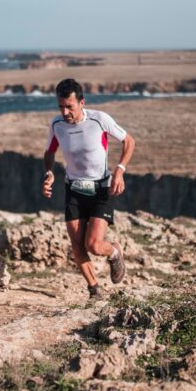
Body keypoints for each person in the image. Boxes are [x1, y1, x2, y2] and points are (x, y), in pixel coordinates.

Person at [42, 78, 136, 300]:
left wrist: (120, 170)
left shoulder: (99, 119)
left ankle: (114, 251)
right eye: (61, 106)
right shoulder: (57, 125)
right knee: (77, 245)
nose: (65, 112)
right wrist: (49, 172)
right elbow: (49, 152)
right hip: (73, 189)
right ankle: (94, 289)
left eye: (69, 107)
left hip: (101, 188)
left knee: (93, 244)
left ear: (82, 103)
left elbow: (129, 141)